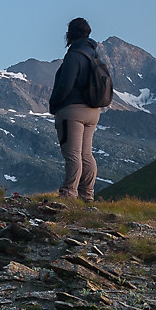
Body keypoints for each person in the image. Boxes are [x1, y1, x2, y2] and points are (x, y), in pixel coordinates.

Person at [48, 17, 113, 201]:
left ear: (70, 34)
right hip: (93, 111)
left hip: (72, 111)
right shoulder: (94, 56)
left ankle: (69, 194)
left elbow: (65, 86)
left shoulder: (74, 55)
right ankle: (87, 195)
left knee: (72, 154)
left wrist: (54, 105)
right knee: (86, 154)